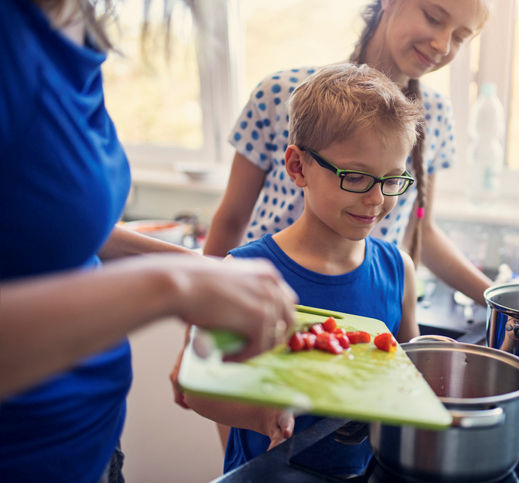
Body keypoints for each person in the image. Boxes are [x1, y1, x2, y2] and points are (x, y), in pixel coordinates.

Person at [0, 1, 297, 482]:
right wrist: (171, 286)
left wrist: (203, 270)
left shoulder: (78, 27)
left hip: (93, 445)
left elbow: (58, 232)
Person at [183, 62, 423, 476]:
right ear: (298, 167)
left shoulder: (397, 269)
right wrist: (260, 417)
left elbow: (408, 381)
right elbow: (199, 390)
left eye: (392, 180)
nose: (375, 199)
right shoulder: (242, 273)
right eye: (356, 177)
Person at [203, 0, 494, 305]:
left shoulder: (434, 114)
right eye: (433, 18)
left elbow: (422, 231)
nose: (442, 44)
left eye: (460, 37)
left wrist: (499, 302)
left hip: (363, 302)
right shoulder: (281, 92)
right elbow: (232, 219)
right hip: (265, 297)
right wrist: (203, 311)